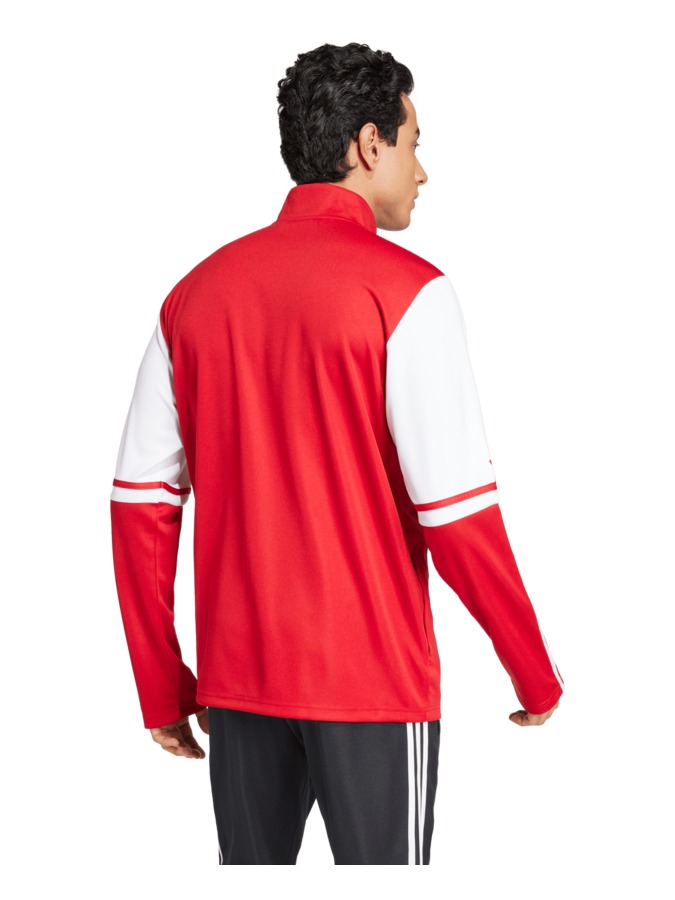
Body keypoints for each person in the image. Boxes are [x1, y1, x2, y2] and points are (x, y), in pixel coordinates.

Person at [109, 41, 564, 866]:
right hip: (371, 684)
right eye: (414, 144)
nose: (422, 172)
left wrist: (159, 682)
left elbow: (141, 505)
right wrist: (532, 671)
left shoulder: (193, 294)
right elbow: (457, 518)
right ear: (368, 144)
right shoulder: (409, 292)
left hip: (237, 685)